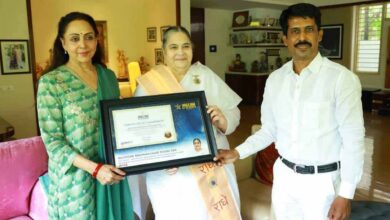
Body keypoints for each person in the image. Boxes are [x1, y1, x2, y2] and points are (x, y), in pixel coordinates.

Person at [215, 3, 365, 220]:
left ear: (319, 35)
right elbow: (269, 131)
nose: (302, 37)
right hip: (284, 178)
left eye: (309, 29)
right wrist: (238, 152)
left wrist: (346, 194)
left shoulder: (342, 79)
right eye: (295, 31)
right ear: (285, 39)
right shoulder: (275, 80)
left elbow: (354, 140)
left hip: (321, 183)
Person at [130, 26, 242, 220]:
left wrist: (223, 121)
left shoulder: (205, 75)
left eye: (185, 46)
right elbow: (139, 135)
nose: (180, 52)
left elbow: (234, 113)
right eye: (173, 47)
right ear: (164, 52)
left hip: (210, 167)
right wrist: (160, 161)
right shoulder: (149, 84)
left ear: (192, 48)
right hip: (169, 175)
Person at [36, 12, 133, 219]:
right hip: (76, 180)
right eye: (74, 38)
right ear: (63, 42)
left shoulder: (108, 77)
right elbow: (53, 142)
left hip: (111, 172)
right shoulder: (51, 82)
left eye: (89, 37)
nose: (83, 44)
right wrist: (95, 169)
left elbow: (117, 124)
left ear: (97, 40)